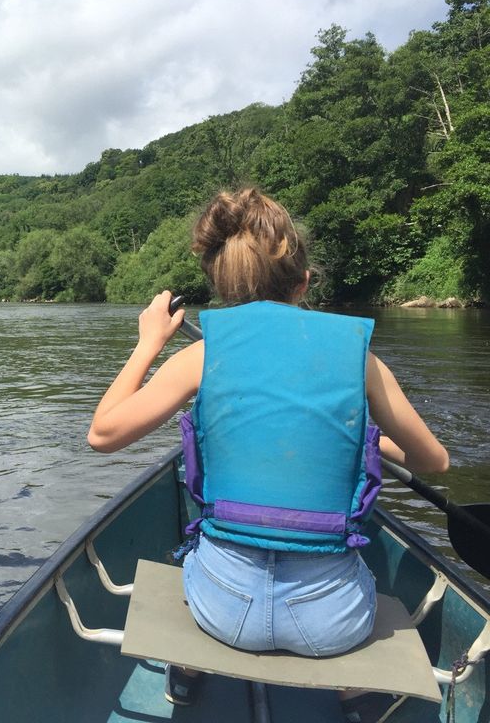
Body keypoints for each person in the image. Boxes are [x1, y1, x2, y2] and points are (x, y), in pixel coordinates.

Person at [87, 187, 448, 706]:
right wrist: (373, 441)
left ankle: (186, 672)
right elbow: (434, 461)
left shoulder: (200, 357)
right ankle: (353, 696)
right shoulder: (360, 359)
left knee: (188, 555)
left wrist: (148, 344)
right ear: (303, 283)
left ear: (223, 283)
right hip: (332, 624)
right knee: (364, 577)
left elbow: (101, 435)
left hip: (222, 612)